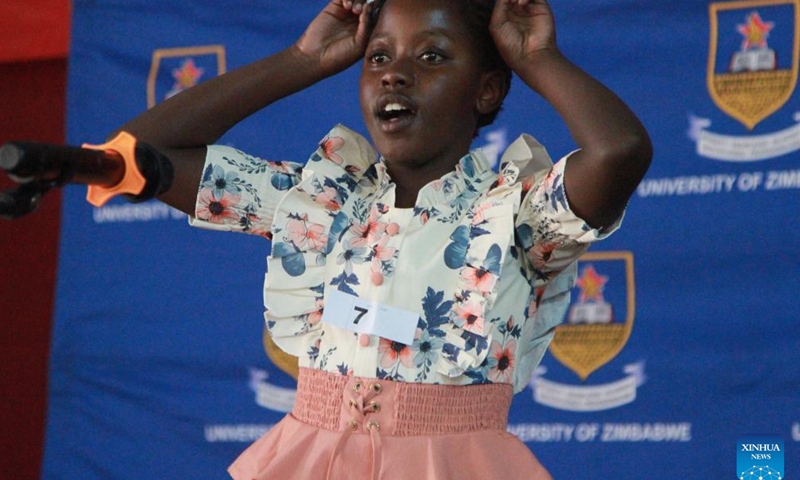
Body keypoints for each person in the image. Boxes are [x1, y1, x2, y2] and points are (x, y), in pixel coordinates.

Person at [111, 0, 652, 478]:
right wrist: (302, 60)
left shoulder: (516, 213)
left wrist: (536, 56)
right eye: (378, 57)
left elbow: (618, 151)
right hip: (310, 459)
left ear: (487, 89)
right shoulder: (319, 201)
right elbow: (139, 152)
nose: (395, 75)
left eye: (431, 56)